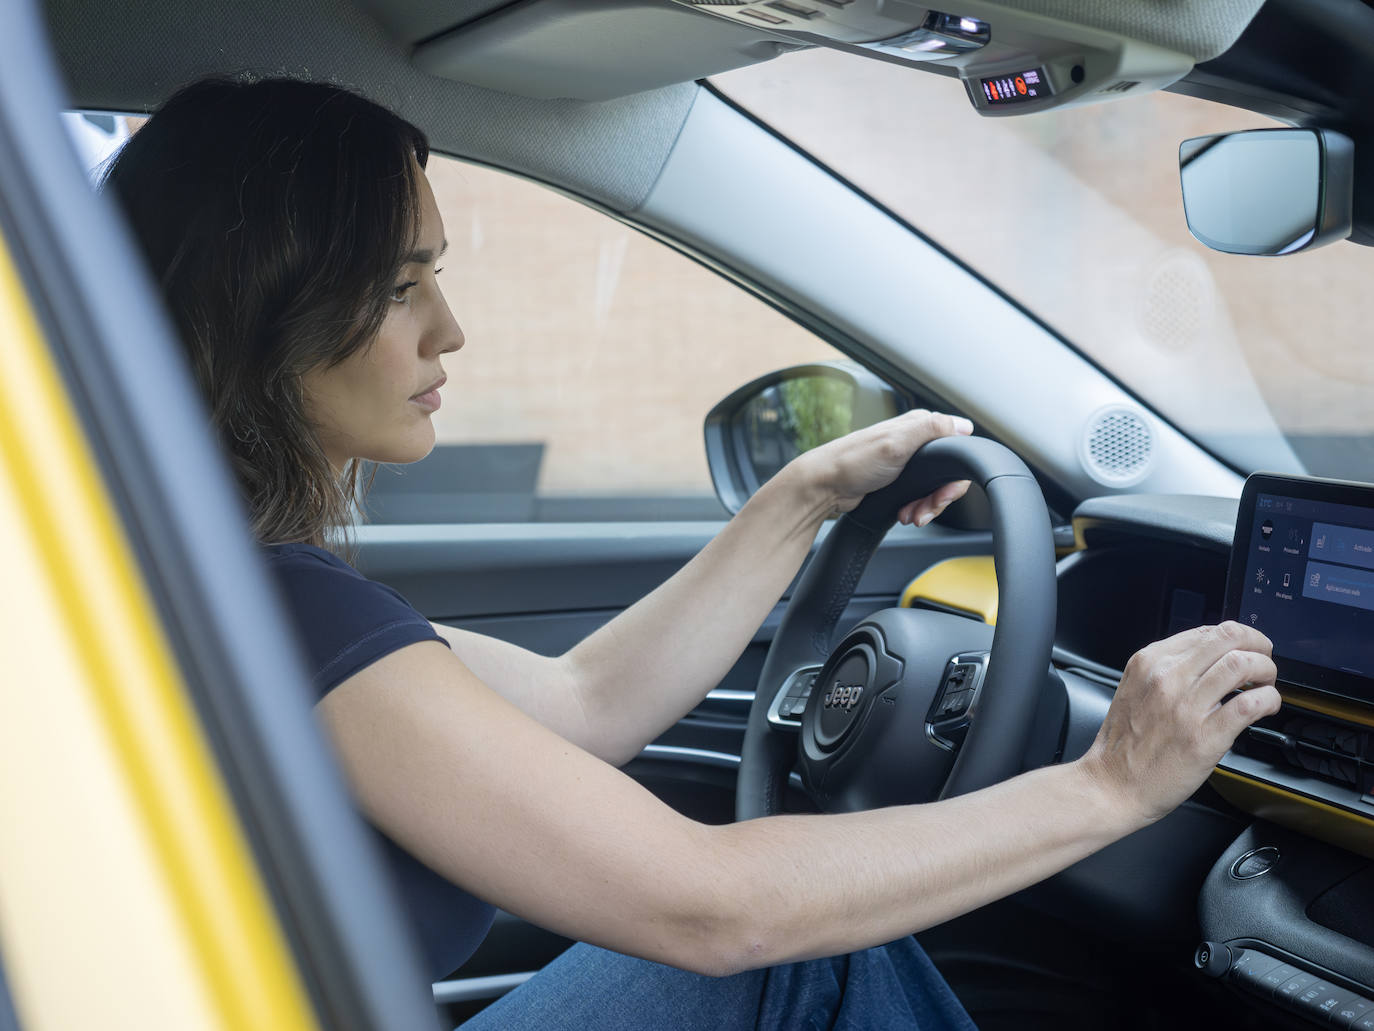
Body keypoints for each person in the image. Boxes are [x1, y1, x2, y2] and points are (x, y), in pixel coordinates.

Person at [104, 76, 1282, 1029]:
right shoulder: (277, 610)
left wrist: (805, 493)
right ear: (273, 316)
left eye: (438, 276)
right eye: (402, 285)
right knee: (783, 964)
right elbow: (715, 911)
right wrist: (1107, 784)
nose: (448, 327)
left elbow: (585, 702)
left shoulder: (213, 589)